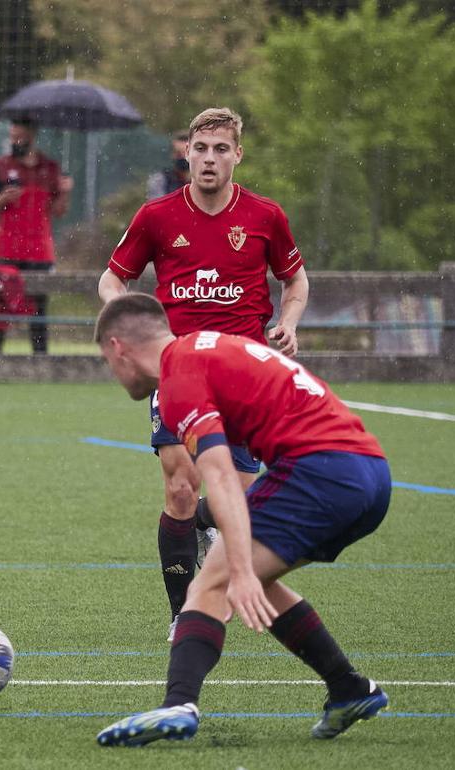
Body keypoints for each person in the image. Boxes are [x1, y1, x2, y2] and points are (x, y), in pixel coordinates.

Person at [92, 294, 391, 746]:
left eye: (106, 360)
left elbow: (221, 477)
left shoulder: (179, 378)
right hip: (370, 474)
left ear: (118, 347)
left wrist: (237, 567)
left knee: (212, 582)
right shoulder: (205, 348)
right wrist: (244, 567)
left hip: (321, 471)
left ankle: (178, 703)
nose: (112, 374)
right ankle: (348, 688)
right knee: (251, 576)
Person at [98, 107, 309, 641]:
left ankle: (203, 528)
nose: (209, 159)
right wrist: (128, 328)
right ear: (185, 154)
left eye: (221, 149)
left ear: (238, 155)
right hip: (179, 368)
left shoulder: (265, 216)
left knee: (227, 501)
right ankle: (182, 613)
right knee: (179, 488)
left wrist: (287, 322)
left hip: (246, 373)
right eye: (201, 149)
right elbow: (111, 279)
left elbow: (296, 281)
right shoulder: (156, 216)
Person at [0, 117, 73, 354]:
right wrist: (2, 199)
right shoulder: (0, 166)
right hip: (5, 251)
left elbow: (59, 212)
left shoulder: (51, 168)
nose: (15, 141)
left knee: (39, 312)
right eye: (12, 137)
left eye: (19, 137)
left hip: (39, 253)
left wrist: (64, 193)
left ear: (32, 135)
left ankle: (40, 361)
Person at [145, 131, 189, 200]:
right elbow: (158, 208)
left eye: (186, 153)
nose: (183, 157)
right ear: (172, 154)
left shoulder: (205, 180)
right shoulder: (160, 180)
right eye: (178, 153)